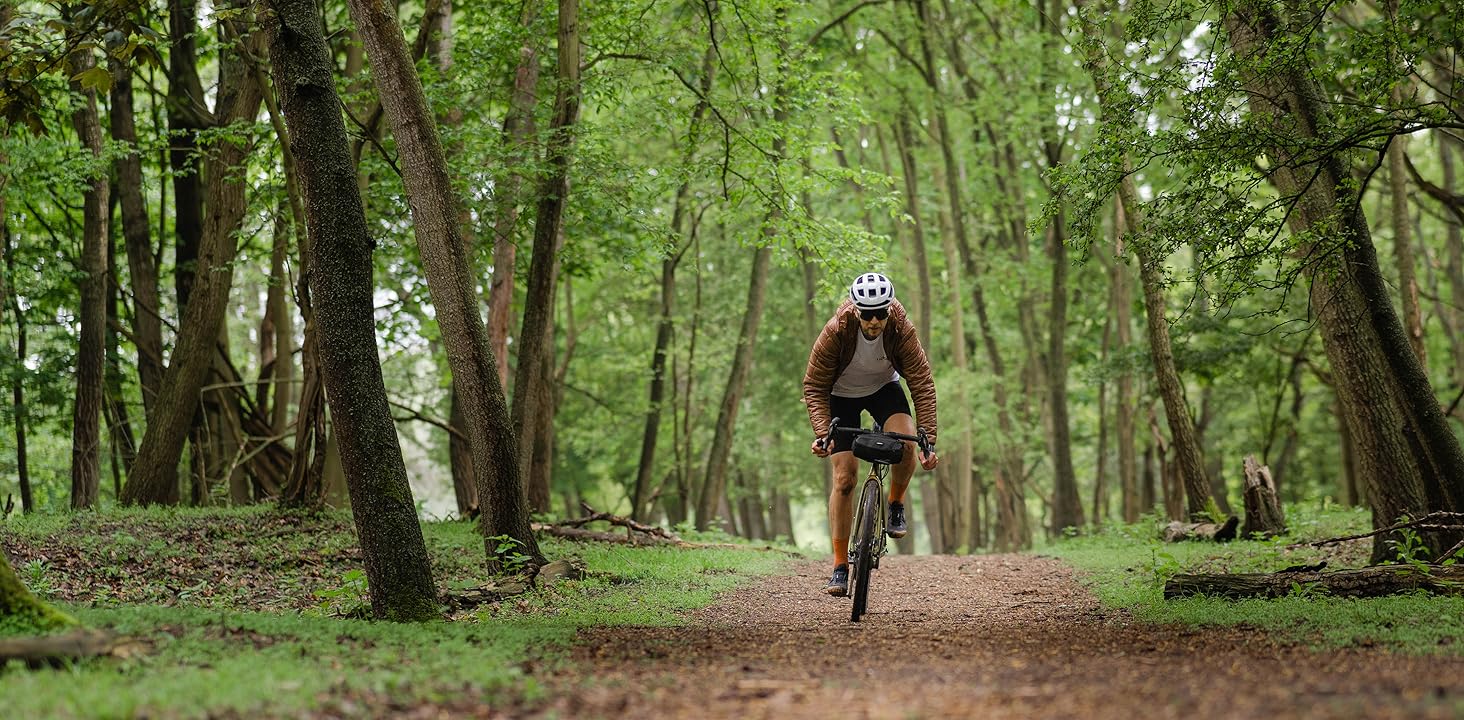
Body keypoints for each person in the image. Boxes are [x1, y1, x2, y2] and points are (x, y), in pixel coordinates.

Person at [804, 272, 938, 596]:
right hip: (840, 395)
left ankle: (894, 503)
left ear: (889, 310)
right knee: (845, 478)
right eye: (868, 314)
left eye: (881, 313)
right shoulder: (837, 330)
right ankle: (839, 565)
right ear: (856, 310)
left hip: (883, 389)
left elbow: (921, 381)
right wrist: (824, 434)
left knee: (905, 445)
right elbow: (814, 386)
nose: (875, 321)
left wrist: (928, 439)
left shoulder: (900, 327)